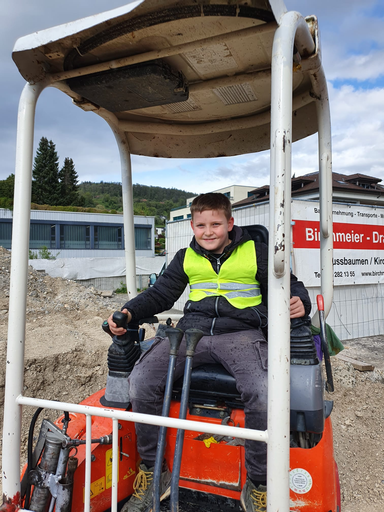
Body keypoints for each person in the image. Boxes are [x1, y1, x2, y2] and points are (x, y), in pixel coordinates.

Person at [108, 193, 311, 512]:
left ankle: (258, 481)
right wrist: (128, 312)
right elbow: (160, 293)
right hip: (192, 332)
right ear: (192, 226)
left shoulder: (256, 251)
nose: (208, 231)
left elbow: (288, 283)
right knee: (141, 381)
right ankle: (154, 468)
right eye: (201, 225)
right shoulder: (185, 257)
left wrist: (300, 300)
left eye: (216, 223)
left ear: (230, 223)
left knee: (263, 391)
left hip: (241, 334)